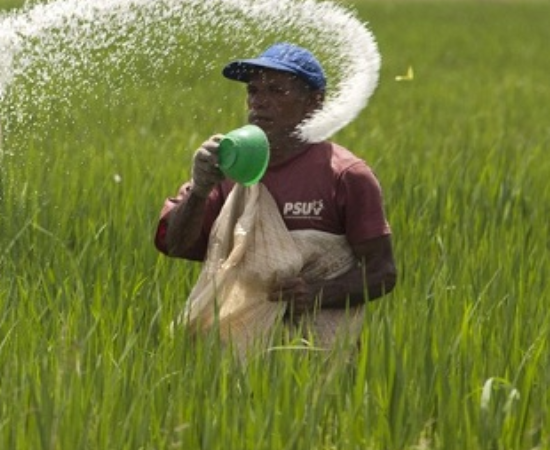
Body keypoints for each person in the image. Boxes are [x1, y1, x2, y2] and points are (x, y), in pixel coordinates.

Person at [155, 42, 396, 351]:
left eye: (276, 91)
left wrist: (316, 293)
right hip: (233, 356)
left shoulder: (346, 175)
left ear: (314, 103)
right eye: (253, 91)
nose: (259, 102)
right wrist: (200, 190)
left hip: (319, 354)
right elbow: (177, 245)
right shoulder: (228, 168)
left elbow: (382, 272)